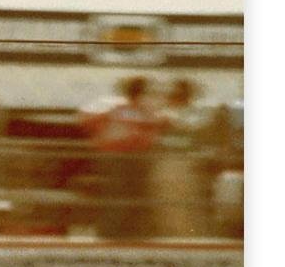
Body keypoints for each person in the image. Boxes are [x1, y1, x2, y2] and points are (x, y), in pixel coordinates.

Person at [80, 76, 164, 238]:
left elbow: (153, 128)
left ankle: (129, 233)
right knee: (117, 196)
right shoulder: (114, 106)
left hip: (135, 158)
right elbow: (87, 120)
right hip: (116, 158)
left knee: (133, 197)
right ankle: (111, 234)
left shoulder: (142, 109)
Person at [151, 78, 212, 237]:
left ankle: (185, 237)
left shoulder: (193, 114)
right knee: (165, 203)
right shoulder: (164, 112)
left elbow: (191, 128)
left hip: (184, 162)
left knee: (185, 204)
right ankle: (169, 235)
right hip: (166, 161)